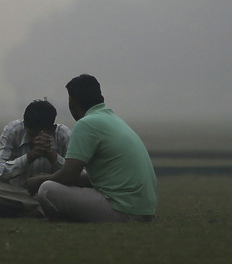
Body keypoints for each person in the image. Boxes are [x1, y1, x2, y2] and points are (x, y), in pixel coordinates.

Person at [25, 74, 157, 222]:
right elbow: (93, 179)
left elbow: (69, 175)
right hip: (145, 211)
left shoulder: (86, 124)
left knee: (47, 189)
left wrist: (42, 180)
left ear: (72, 102)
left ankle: (59, 217)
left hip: (123, 211)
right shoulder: (112, 119)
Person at [0, 99, 71, 218]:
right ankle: (41, 209)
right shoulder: (14, 130)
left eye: (40, 135)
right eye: (31, 135)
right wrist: (29, 157)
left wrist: (52, 157)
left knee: (69, 194)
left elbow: (78, 174)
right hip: (18, 192)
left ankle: (21, 212)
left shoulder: (63, 135)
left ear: (52, 129)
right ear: (24, 125)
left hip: (51, 192)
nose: (34, 140)